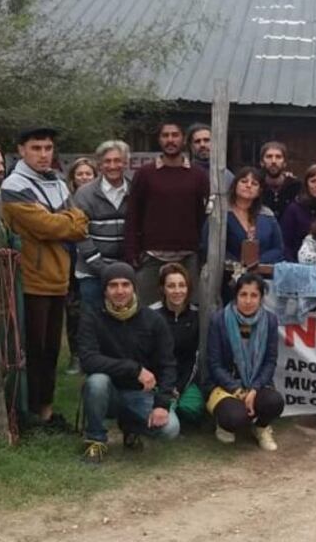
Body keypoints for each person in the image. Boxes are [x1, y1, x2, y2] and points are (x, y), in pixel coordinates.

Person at [1, 126, 88, 430]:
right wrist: (65, 220)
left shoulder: (57, 182)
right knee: (34, 351)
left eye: (48, 148)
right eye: (36, 148)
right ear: (21, 150)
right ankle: (30, 414)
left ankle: (47, 412)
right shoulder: (14, 185)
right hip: (33, 280)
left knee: (51, 351)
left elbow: (80, 224)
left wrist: (62, 221)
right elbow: (49, 227)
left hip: (58, 279)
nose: (43, 154)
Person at [79, 262, 180, 463]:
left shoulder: (153, 320)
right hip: (108, 393)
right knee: (96, 381)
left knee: (171, 430)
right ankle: (95, 440)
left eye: (125, 284)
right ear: (105, 290)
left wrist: (161, 404)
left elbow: (168, 364)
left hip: (141, 393)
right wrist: (134, 369)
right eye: (113, 285)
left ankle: (131, 427)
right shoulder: (92, 317)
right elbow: (88, 360)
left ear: (134, 287)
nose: (120, 291)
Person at [124, 119, 209, 306]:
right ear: (159, 140)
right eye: (165, 135)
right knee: (146, 311)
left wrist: (203, 255)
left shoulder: (198, 176)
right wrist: (132, 252)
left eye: (175, 135)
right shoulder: (145, 174)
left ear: (184, 139)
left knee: (190, 309)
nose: (170, 140)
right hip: (152, 257)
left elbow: (204, 218)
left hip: (189, 257)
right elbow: (133, 215)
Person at [70, 141, 131, 374]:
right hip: (91, 271)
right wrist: (100, 266)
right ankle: (93, 370)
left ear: (125, 162)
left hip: (125, 269)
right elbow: (80, 233)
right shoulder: (84, 193)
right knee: (93, 322)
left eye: (117, 160)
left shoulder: (134, 190)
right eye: (107, 161)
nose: (113, 165)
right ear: (99, 164)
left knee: (124, 323)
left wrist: (125, 267)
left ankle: (122, 370)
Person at [206, 272, 283, 449]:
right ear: (236, 296)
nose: (248, 301)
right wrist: (238, 391)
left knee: (275, 402)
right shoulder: (219, 320)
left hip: (257, 384)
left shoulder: (270, 321)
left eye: (254, 295)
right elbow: (215, 365)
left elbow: (270, 361)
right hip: (226, 385)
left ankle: (261, 428)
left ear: (261, 298)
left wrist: (255, 389)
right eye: (243, 295)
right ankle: (224, 425)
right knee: (235, 417)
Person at [205, 167, 284, 303]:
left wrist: (255, 262)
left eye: (254, 184)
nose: (248, 186)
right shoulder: (221, 213)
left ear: (259, 191)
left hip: (261, 280)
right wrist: (238, 265)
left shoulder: (267, 215)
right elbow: (208, 243)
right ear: (235, 185)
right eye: (244, 181)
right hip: (227, 279)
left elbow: (278, 248)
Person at [150, 263, 202, 424]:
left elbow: (194, 357)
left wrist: (179, 387)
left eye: (182, 285)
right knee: (166, 411)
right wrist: (166, 387)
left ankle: (178, 405)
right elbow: (148, 357)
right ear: (163, 289)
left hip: (185, 378)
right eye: (171, 286)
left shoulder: (196, 315)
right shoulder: (151, 315)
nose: (177, 291)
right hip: (159, 379)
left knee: (193, 409)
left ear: (188, 288)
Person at [64, 157, 96, 374]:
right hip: (69, 259)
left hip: (95, 260)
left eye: (88, 173)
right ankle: (77, 355)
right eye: (80, 174)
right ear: (73, 178)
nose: (84, 177)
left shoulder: (99, 197)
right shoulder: (65, 201)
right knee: (74, 310)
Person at [281, 164, 316, 262]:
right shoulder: (294, 209)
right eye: (313, 181)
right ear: (306, 184)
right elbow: (285, 242)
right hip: (298, 263)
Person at [186, 122, 235, 193]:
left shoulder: (227, 176)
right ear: (190, 146)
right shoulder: (184, 174)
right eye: (197, 141)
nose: (202, 145)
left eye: (206, 140)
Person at [260, 141, 301, 220]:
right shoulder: (256, 186)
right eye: (269, 156)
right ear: (262, 162)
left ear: (285, 162)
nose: (274, 161)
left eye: (278, 157)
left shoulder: (296, 187)